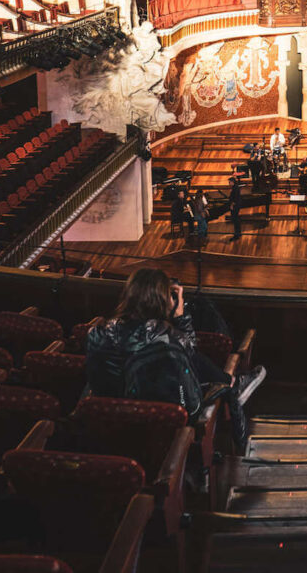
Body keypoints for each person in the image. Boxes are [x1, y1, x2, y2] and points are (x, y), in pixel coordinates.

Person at [86, 267, 266, 448]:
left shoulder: (97, 333)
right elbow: (190, 351)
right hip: (164, 423)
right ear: (162, 299)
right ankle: (232, 382)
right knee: (191, 354)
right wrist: (180, 316)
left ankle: (232, 381)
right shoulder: (165, 334)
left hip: (108, 419)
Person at [228, 176, 242, 240]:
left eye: (229, 182)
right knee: (236, 220)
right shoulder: (235, 187)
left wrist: (231, 205)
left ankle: (237, 234)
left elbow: (235, 198)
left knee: (235, 220)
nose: (229, 183)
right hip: (236, 206)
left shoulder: (235, 188)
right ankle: (238, 233)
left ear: (232, 182)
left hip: (235, 207)